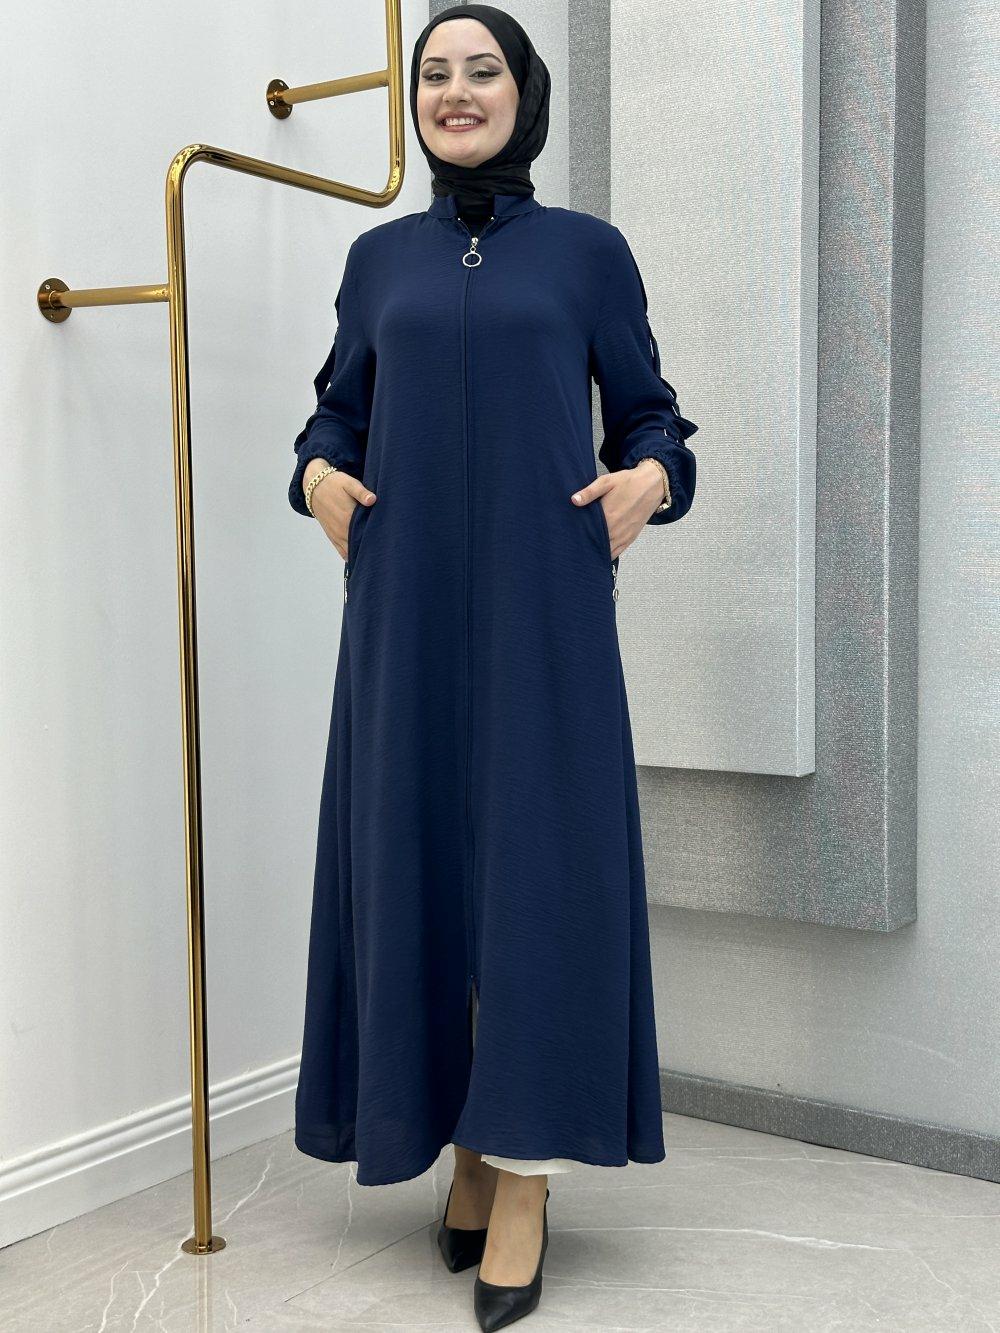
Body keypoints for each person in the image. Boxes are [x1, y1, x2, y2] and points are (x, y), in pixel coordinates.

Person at [289, 6, 698, 1328]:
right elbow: (336, 410)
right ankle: (459, 1144)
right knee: (414, 867)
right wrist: (318, 475)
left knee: (538, 878)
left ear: (526, 93)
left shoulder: (587, 253)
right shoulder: (378, 260)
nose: (455, 91)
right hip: (402, 604)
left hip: (546, 606)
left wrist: (649, 478)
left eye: (482, 71)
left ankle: (521, 1175)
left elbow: (650, 416)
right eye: (434, 74)